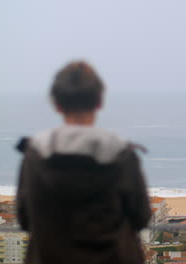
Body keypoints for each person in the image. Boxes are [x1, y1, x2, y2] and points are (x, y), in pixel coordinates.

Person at [16, 61, 151, 264]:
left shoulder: (35, 155)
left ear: (57, 105)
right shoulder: (120, 155)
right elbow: (141, 218)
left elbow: (25, 219)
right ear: (99, 102)